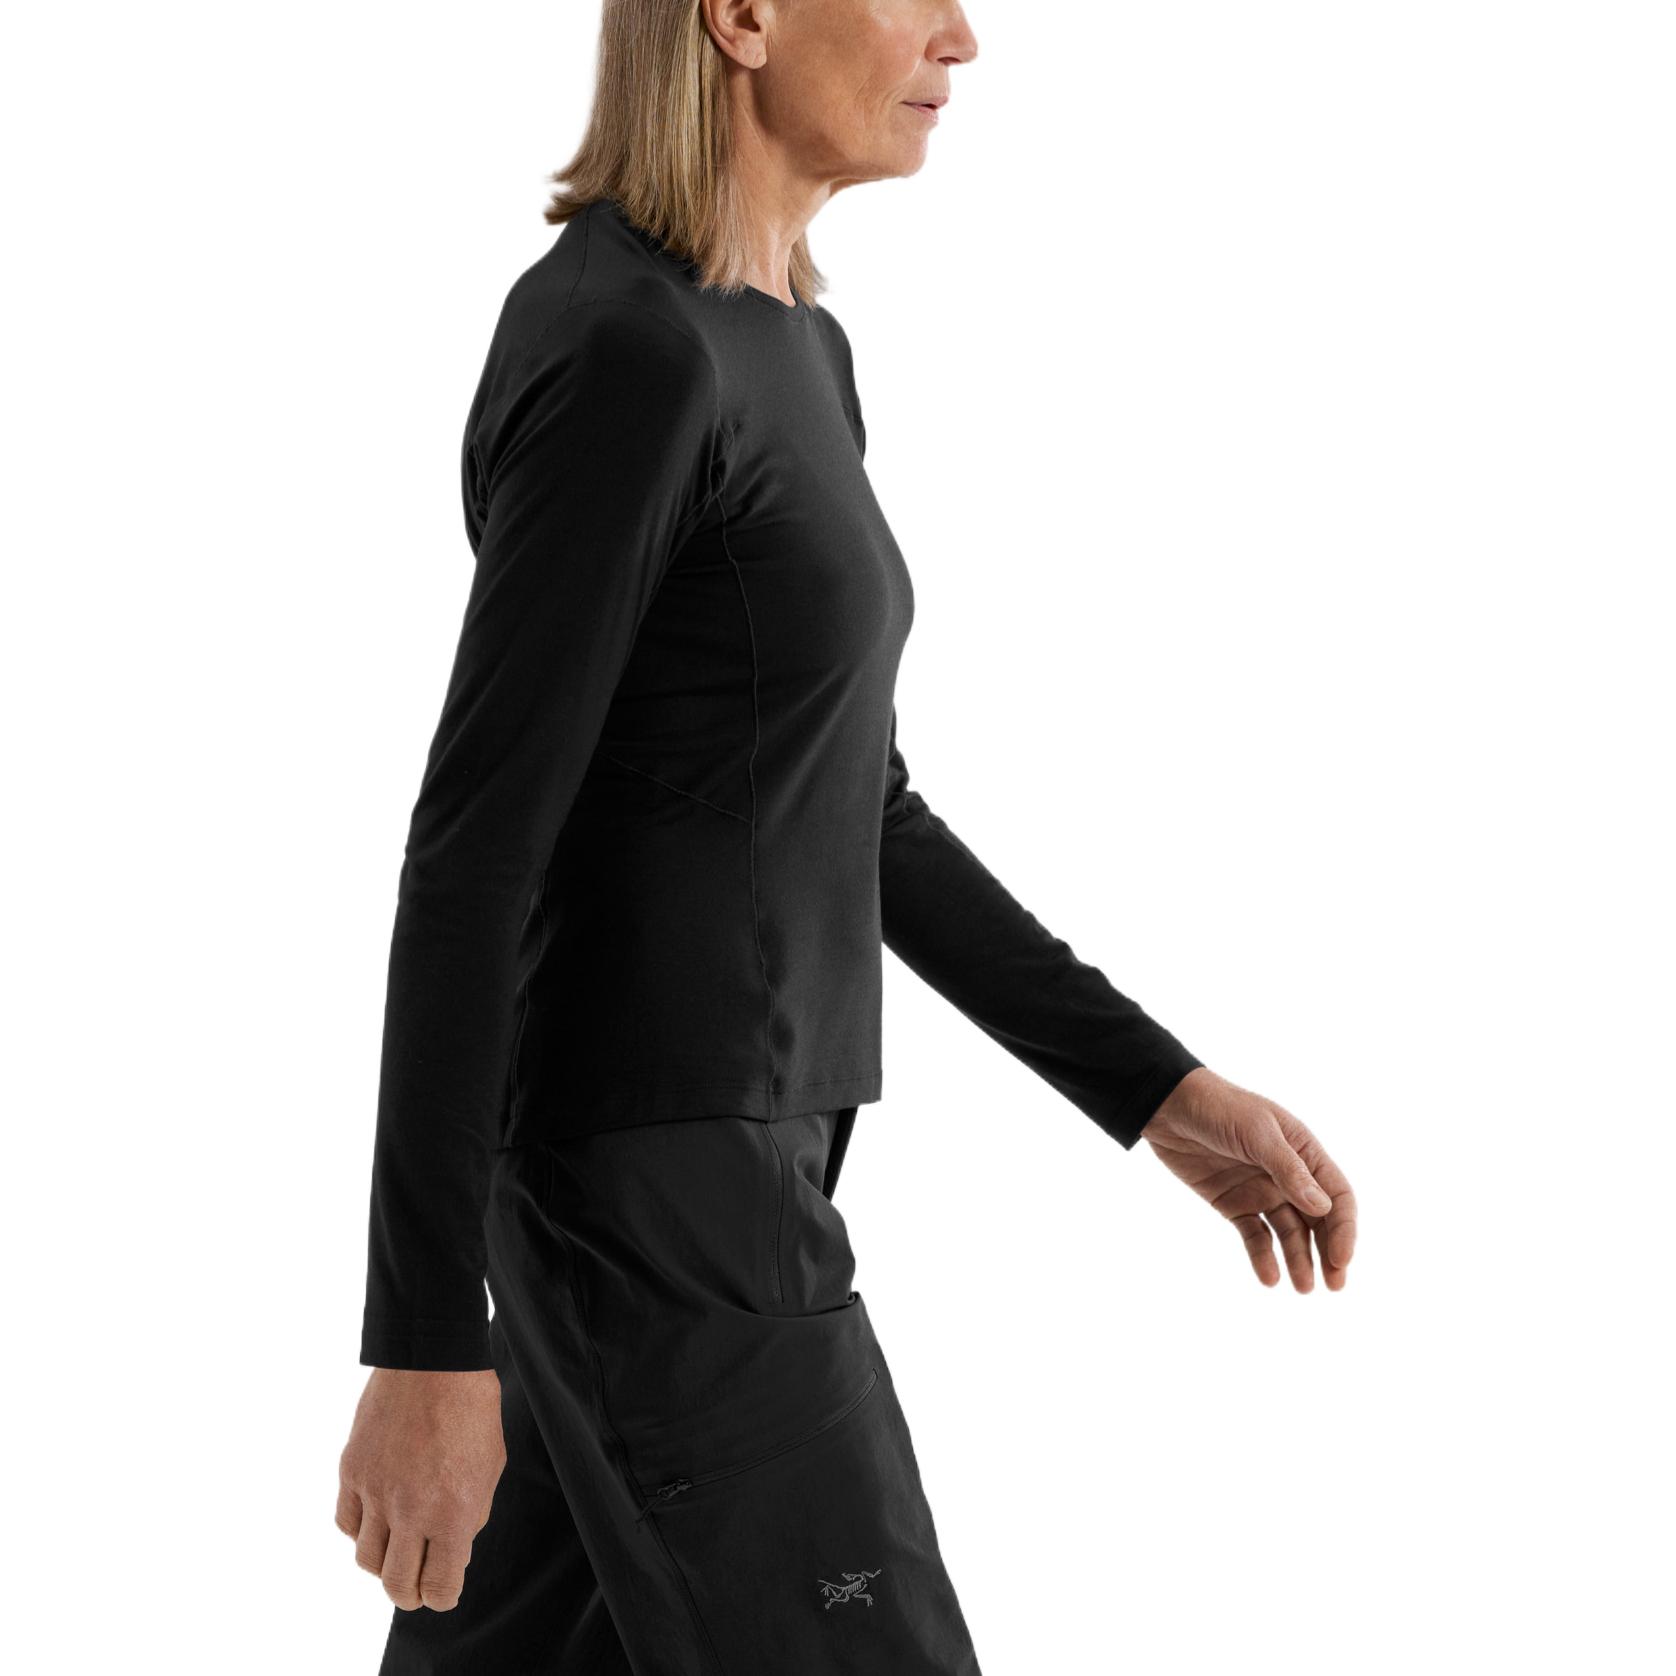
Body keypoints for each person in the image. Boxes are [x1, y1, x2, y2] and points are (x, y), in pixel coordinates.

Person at [334, 2, 1359, 1671]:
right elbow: (472, 858)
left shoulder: (794, 350)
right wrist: (425, 1339)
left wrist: (1157, 1092)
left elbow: (855, 803)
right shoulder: (626, 350)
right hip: (662, 1203)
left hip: (727, 1164)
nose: (963, 36)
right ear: (740, 17)